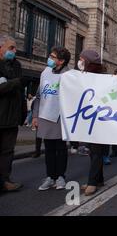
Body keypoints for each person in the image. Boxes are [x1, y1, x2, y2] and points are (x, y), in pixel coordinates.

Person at [33, 46, 71, 191]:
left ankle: (60, 176)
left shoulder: (69, 75)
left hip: (60, 117)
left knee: (60, 148)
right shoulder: (45, 72)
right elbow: (38, 95)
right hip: (45, 115)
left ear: (61, 61)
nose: (49, 58)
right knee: (48, 148)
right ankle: (50, 177)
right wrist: (35, 116)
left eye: (52, 56)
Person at [76, 50, 110, 196]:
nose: (79, 61)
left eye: (81, 59)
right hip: (89, 118)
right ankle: (99, 179)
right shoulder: (82, 76)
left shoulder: (102, 78)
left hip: (100, 120)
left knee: (96, 152)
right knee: (94, 152)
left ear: (88, 62)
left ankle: (92, 182)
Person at [0, 35, 25, 193]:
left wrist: (22, 114)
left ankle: (5, 180)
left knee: (8, 151)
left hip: (11, 118)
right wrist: (14, 83)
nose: (14, 51)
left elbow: (19, 92)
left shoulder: (16, 65)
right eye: (11, 48)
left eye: (15, 48)